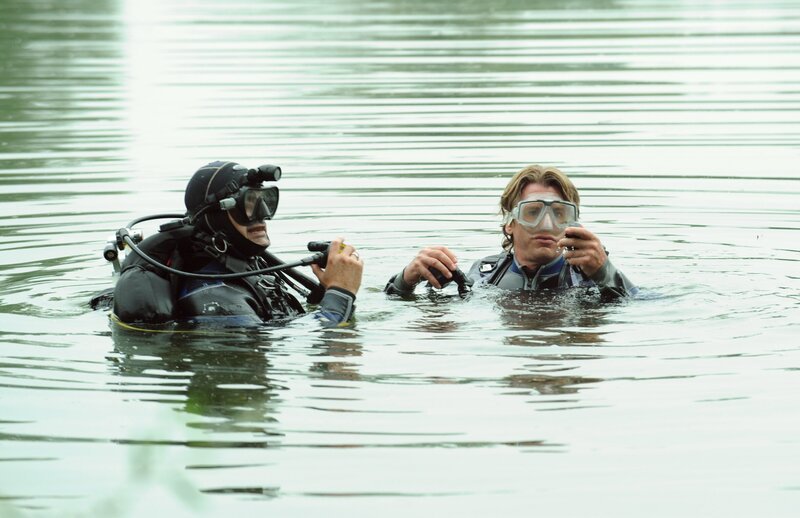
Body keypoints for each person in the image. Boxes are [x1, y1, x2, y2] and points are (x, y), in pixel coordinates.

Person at [112, 160, 363, 327]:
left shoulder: (249, 267)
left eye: (266, 201)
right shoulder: (213, 296)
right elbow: (319, 343)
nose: (262, 215)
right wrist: (341, 292)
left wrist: (401, 285)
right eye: (249, 204)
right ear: (218, 214)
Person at [384, 164, 636, 300]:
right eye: (532, 212)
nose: (546, 224)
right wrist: (407, 278)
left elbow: (640, 303)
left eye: (559, 213)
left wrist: (605, 272)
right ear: (509, 223)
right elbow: (396, 300)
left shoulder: (592, 278)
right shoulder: (484, 275)